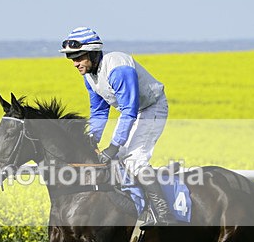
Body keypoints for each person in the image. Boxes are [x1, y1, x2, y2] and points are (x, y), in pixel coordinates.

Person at [60, 26, 172, 225]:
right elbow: (99, 111)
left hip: (151, 108)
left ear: (93, 53)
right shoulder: (89, 76)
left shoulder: (118, 68)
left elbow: (129, 109)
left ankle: (164, 214)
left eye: (78, 57)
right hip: (134, 112)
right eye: (71, 59)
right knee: (115, 162)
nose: (74, 63)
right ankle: (137, 208)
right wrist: (91, 139)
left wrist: (113, 146)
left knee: (134, 161)